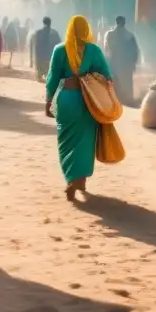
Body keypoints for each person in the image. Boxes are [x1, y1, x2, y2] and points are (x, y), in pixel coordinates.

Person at [45, 15, 113, 201]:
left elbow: (52, 78)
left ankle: (71, 179)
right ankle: (80, 179)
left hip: (66, 100)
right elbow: (107, 77)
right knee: (85, 141)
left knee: (65, 140)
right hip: (88, 102)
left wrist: (48, 100)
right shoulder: (94, 51)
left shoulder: (59, 50)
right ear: (86, 30)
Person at [104, 15, 140, 105]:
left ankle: (114, 99)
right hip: (126, 64)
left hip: (114, 63)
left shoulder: (110, 34)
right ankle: (126, 99)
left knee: (114, 81)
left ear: (116, 22)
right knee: (126, 82)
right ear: (124, 23)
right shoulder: (130, 35)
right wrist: (134, 63)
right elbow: (135, 51)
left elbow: (106, 49)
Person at [31, 16, 60, 82]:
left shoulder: (38, 33)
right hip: (50, 57)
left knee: (41, 73)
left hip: (40, 58)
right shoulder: (54, 33)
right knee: (48, 72)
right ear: (50, 23)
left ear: (43, 22)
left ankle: (40, 75)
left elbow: (35, 46)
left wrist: (33, 60)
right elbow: (59, 46)